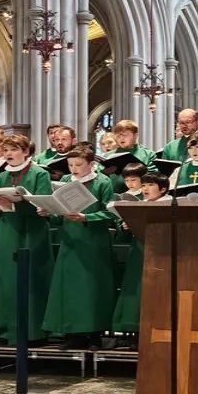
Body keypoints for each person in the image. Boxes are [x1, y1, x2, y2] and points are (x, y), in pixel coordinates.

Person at [40, 147, 116, 350]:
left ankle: (94, 334)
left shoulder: (102, 182)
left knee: (92, 288)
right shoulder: (65, 181)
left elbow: (111, 213)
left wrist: (87, 217)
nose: (73, 169)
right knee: (70, 288)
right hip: (70, 241)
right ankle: (72, 333)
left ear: (91, 164)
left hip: (93, 242)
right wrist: (50, 213)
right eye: (70, 165)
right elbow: (60, 214)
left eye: (78, 165)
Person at [0, 135, 54, 346]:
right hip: (8, 229)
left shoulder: (39, 173)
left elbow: (43, 204)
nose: (8, 154)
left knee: (31, 279)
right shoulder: (3, 176)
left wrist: (16, 205)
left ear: (26, 151)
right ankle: (4, 330)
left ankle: (33, 331)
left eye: (13, 150)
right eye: (5, 150)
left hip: (31, 231)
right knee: (6, 278)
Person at [112, 172, 170, 348]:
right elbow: (122, 238)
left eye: (151, 185)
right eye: (143, 185)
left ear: (163, 189)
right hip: (138, 254)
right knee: (136, 291)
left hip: (159, 254)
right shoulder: (137, 206)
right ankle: (133, 331)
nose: (145, 189)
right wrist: (125, 226)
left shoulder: (168, 206)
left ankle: (157, 330)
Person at [106, 120, 157, 192]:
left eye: (125, 135)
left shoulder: (148, 154)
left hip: (140, 195)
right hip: (113, 194)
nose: (121, 138)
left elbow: (153, 177)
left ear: (135, 135)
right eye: (117, 135)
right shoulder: (108, 156)